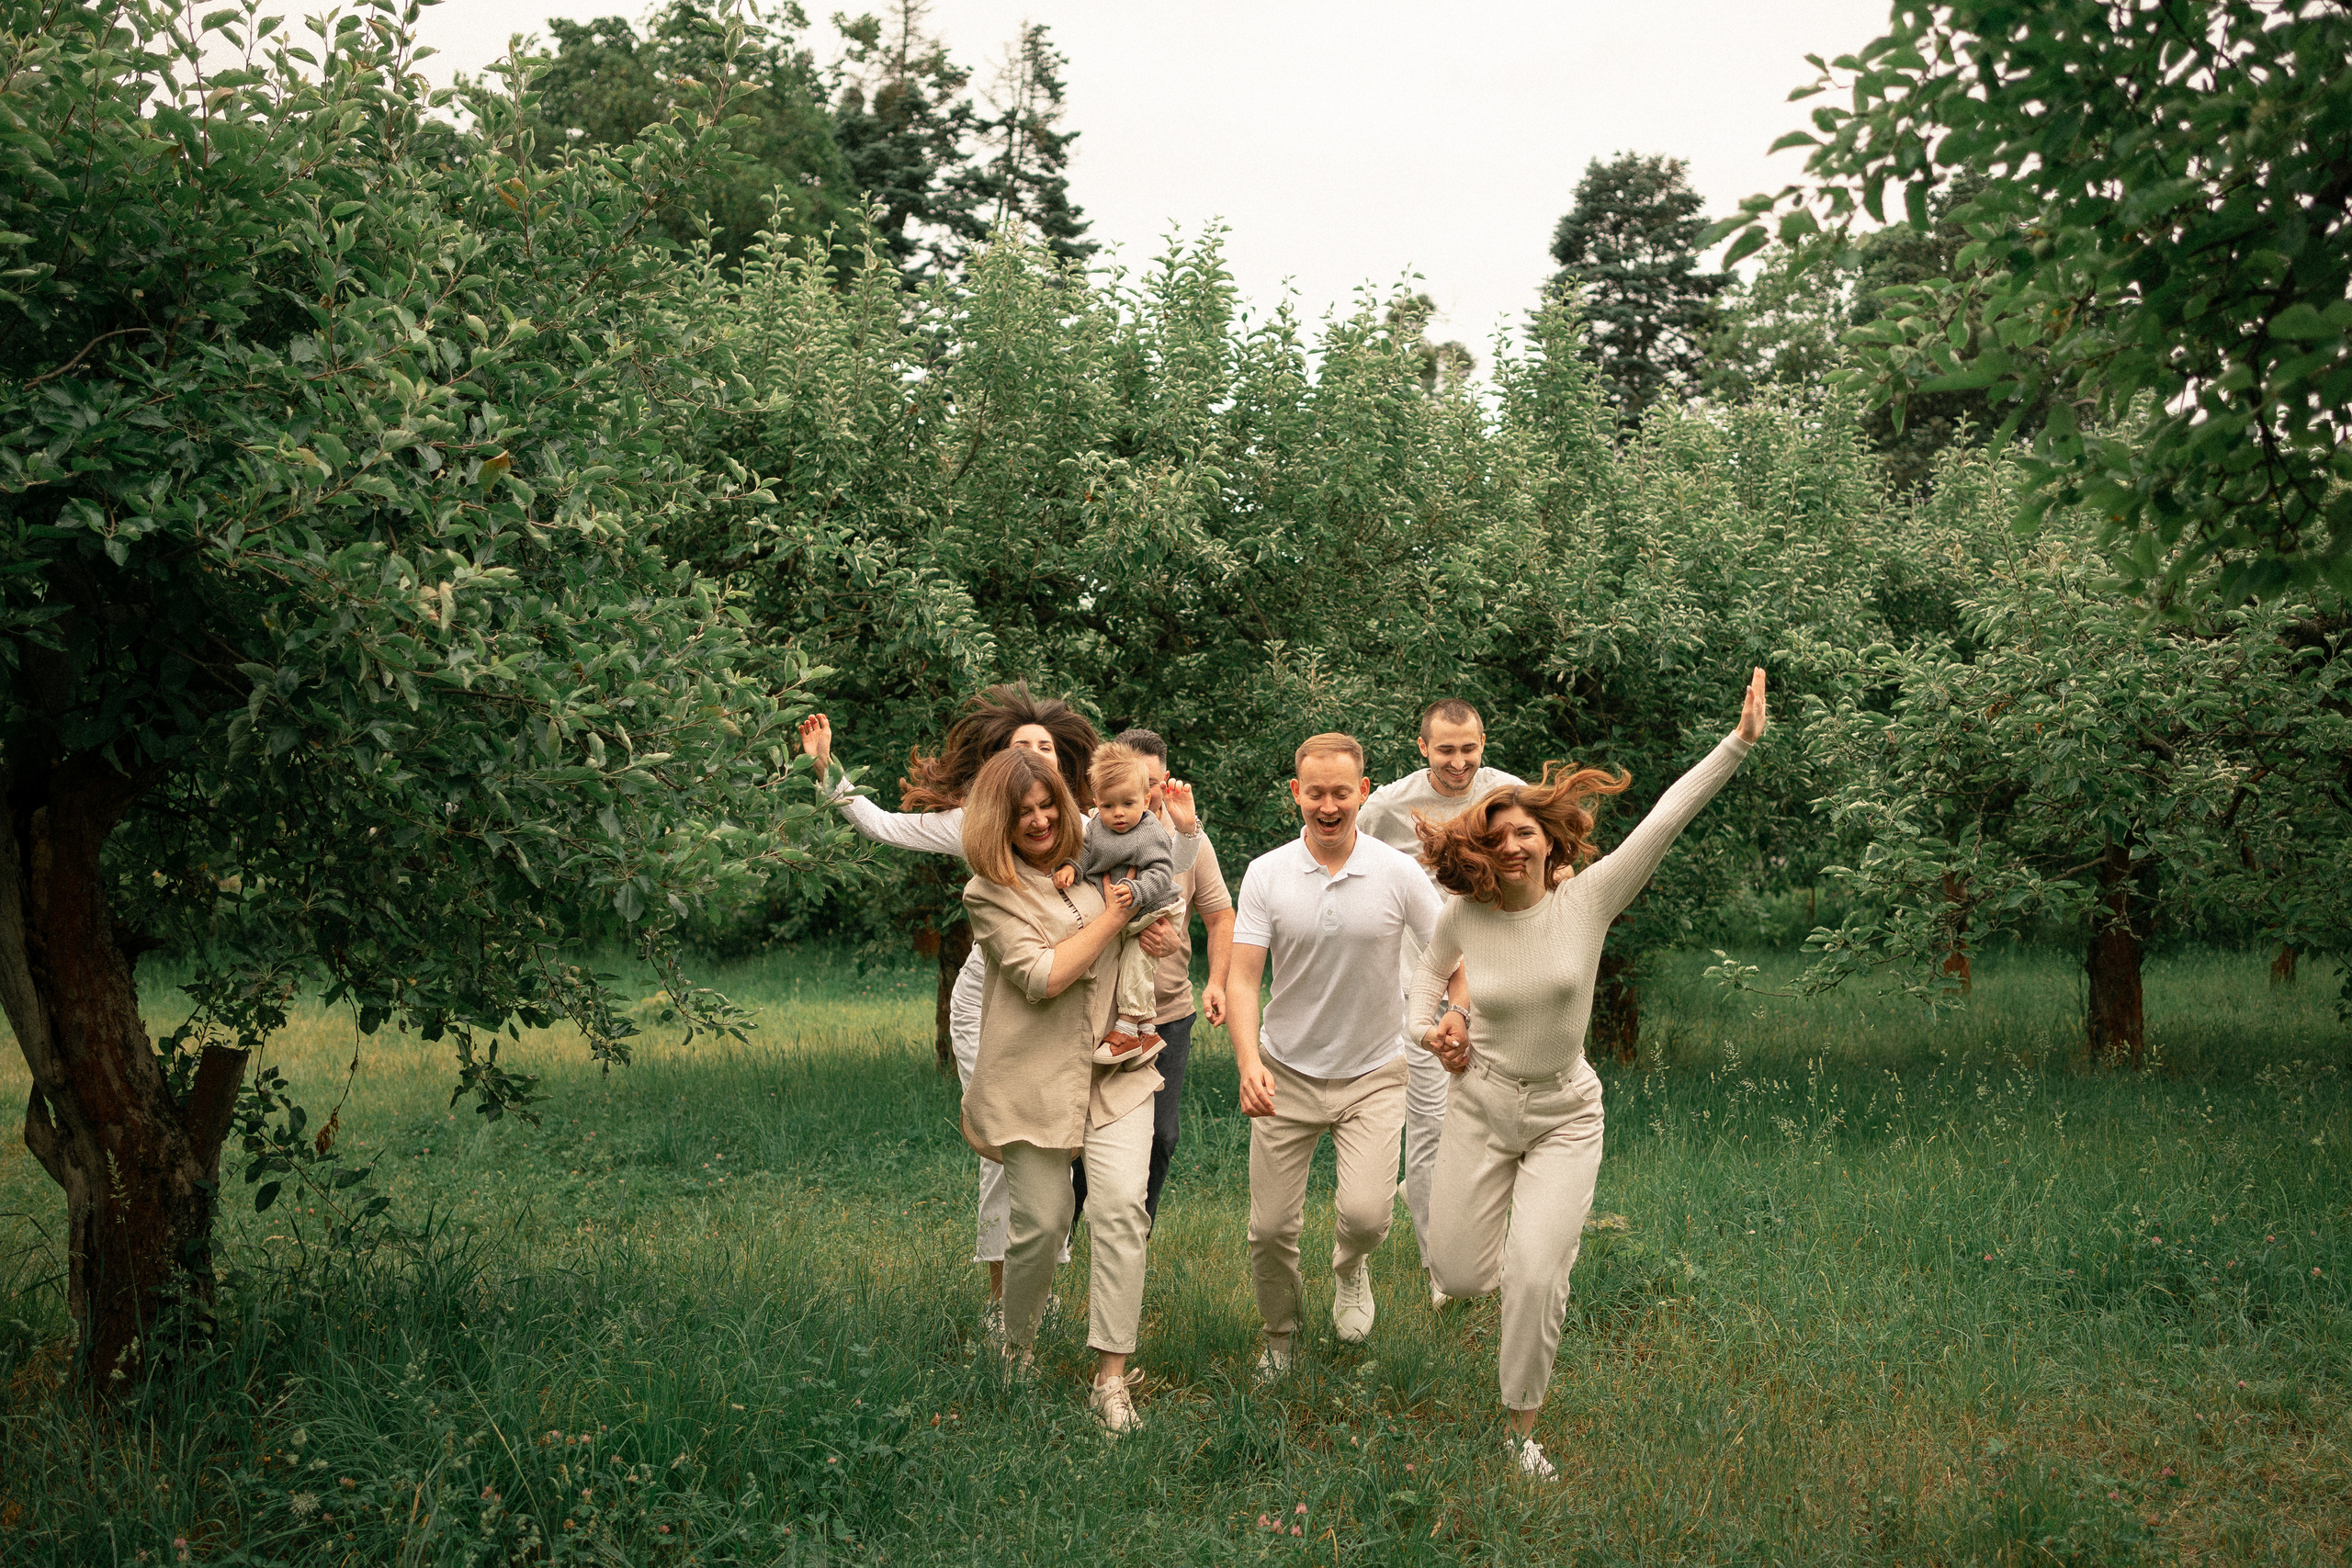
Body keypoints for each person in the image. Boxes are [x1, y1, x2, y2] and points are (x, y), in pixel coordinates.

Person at [1408, 669, 1767, 1480]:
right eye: (1495, 838)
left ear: (1548, 836)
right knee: (1460, 1273)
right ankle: (1498, 1257)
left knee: (1535, 1272)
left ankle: (1518, 1432)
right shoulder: (1463, 915)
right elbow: (1424, 987)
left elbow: (1668, 816)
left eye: (1524, 833)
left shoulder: (1589, 900)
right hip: (1481, 1104)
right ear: (1480, 849)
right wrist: (1440, 1028)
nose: (1511, 846)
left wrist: (1737, 744)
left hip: (1566, 1111)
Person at [797, 687, 1118, 1313]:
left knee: (1057, 1142)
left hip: (1067, 1002)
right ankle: (1008, 1303)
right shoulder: (977, 820)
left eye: (1045, 748)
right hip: (990, 1002)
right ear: (998, 763)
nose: (1033, 757)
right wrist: (825, 768)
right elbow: (882, 823)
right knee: (1007, 1145)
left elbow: (1153, 856)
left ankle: (1039, 1284)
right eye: (1018, 747)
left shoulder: (1086, 826)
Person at [1225, 732, 1462, 1378]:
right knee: (1270, 1229)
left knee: (1365, 1216)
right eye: (1315, 793)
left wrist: (1457, 1014)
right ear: (1296, 794)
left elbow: (1449, 953)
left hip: (1375, 1073)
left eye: (1341, 792)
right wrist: (1249, 1061)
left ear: (1363, 791)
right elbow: (1243, 977)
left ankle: (1349, 1265)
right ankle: (1280, 1336)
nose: (1328, 806)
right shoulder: (1267, 872)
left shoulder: (1396, 871)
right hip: (1286, 1072)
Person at [958, 749, 1161, 1434]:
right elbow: (1044, 974)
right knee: (1042, 1225)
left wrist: (1150, 925)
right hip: (1035, 1081)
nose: (1043, 819)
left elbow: (1154, 902)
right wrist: (1116, 915)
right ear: (1000, 821)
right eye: (1025, 813)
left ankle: (1111, 1375)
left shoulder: (1099, 864)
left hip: (1117, 1070)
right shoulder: (989, 893)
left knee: (1120, 1211)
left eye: (1049, 805)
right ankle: (1015, 1351)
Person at [1355, 698, 1523, 1310]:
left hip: (1502, 989)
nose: (1458, 761)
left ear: (1484, 743)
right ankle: (1441, 1271)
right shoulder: (1387, 808)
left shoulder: (1511, 796)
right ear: (1422, 746)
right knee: (1429, 1129)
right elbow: (1349, 867)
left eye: (1469, 749)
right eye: (1445, 749)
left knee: (1496, 1122)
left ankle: (1489, 1237)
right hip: (1417, 991)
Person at [1106, 729, 1232, 1225]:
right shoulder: (1096, 835)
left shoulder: (1189, 841)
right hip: (1101, 1012)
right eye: (1138, 782)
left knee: (1162, 1135)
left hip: (1169, 1015)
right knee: (1085, 1139)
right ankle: (1063, 1241)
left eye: (1154, 782)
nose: (1148, 792)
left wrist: (1217, 981)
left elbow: (1221, 916)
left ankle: (1138, 1235)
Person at [1055, 742, 1182, 1069]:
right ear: (1096, 802)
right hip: (1126, 910)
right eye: (1109, 805)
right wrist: (1072, 867)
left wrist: (1138, 889)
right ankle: (1147, 1033)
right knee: (1122, 960)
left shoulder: (1149, 830)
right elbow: (1086, 853)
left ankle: (1127, 1027)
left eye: (1128, 803)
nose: (1119, 814)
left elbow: (1163, 872)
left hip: (1154, 907)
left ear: (1147, 799)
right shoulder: (1096, 827)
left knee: (1136, 961)